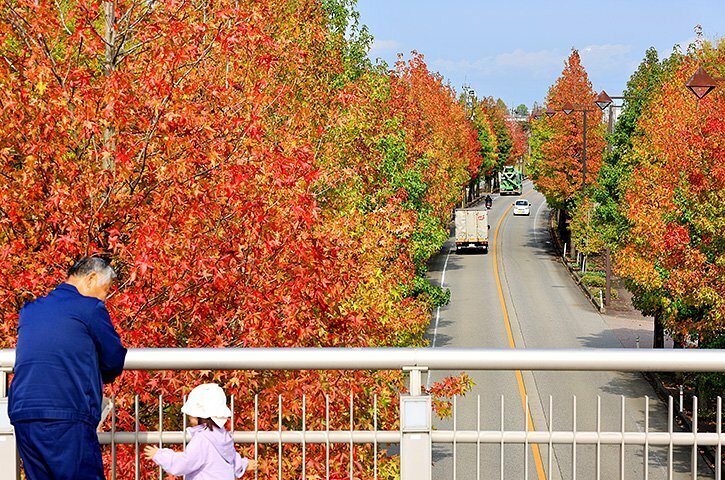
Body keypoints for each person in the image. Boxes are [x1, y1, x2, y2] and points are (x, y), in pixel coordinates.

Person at [9, 256, 127, 480]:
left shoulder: (31, 310)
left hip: (24, 412)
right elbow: (114, 358)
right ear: (91, 279)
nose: (105, 297)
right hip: (67, 411)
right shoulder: (90, 308)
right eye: (105, 290)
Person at [144, 383, 257, 479]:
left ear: (201, 415)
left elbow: (184, 463)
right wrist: (244, 464)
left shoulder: (202, 440)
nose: (188, 416)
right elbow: (231, 458)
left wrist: (159, 455)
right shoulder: (223, 436)